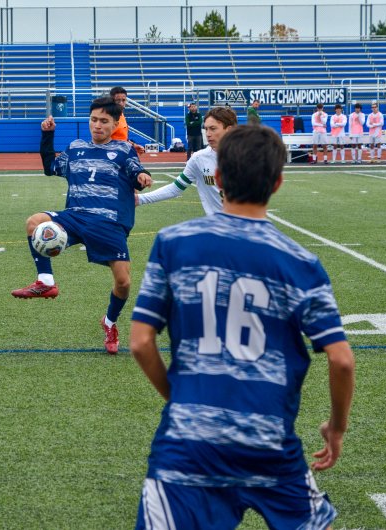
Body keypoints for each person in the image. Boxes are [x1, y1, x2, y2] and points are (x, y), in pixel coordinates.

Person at [130, 125, 355, 530]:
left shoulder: (172, 243)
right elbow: (341, 360)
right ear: (278, 182)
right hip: (268, 441)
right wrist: (336, 427)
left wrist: (179, 397)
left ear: (217, 178)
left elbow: (141, 343)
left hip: (187, 441)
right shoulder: (301, 262)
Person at [10, 97, 153, 355]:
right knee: (34, 222)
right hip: (75, 216)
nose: (97, 126)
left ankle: (109, 322)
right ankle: (45, 281)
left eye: (104, 121)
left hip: (109, 222)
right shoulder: (75, 147)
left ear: (115, 123)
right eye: (93, 120)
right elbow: (50, 168)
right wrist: (47, 135)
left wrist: (143, 178)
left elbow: (136, 171)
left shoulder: (123, 149)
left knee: (123, 282)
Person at [137, 106, 237, 215]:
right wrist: (140, 199)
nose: (208, 134)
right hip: (219, 227)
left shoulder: (250, 156)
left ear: (229, 130)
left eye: (213, 128)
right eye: (206, 129)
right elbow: (175, 188)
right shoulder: (198, 158)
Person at [109, 86, 145, 155]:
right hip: (112, 156)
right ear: (112, 101)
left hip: (122, 154)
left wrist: (133, 145)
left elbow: (122, 138)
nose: (121, 103)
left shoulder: (121, 114)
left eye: (123, 100)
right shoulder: (109, 117)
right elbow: (102, 139)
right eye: (118, 100)